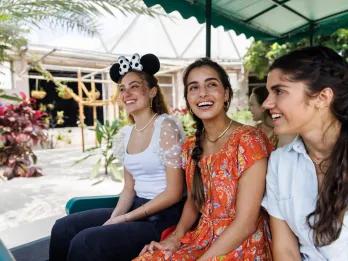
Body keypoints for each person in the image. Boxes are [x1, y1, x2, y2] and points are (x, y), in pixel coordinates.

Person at [48, 53, 185, 261]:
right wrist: (113, 219)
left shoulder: (165, 126)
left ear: (152, 91)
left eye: (134, 86)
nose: (126, 93)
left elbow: (174, 193)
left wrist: (125, 218)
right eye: (122, 88)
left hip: (161, 217)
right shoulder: (126, 134)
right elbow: (128, 189)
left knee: (85, 242)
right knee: (63, 228)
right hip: (135, 206)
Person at [135, 58, 273, 261]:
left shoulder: (249, 141)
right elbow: (193, 200)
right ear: (188, 99)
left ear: (226, 94)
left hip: (243, 243)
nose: (202, 93)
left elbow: (246, 223)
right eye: (194, 88)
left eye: (211, 85)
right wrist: (176, 236)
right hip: (202, 237)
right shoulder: (191, 145)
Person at [261, 46, 348, 261]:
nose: (267, 103)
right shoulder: (280, 163)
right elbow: (286, 250)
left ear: (322, 97)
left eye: (279, 91)